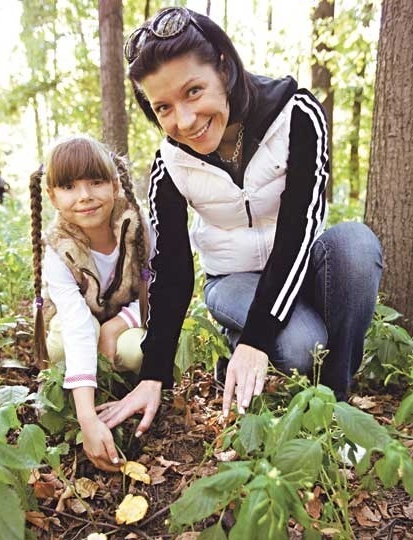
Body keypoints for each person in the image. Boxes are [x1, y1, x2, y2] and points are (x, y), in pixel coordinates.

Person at [98, 7, 382, 436]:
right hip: (233, 279)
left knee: (357, 245)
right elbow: (172, 273)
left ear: (224, 69)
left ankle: (335, 400)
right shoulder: (169, 165)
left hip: (299, 262)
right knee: (302, 346)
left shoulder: (298, 114)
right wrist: (152, 375)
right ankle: (244, 348)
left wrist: (256, 338)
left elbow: (299, 229)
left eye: (194, 91)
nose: (185, 121)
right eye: (163, 107)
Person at [29, 135, 152, 471]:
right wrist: (87, 420)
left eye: (96, 182)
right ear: (52, 196)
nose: (84, 197)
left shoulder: (139, 227)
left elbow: (154, 291)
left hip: (128, 316)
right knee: (62, 348)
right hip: (75, 322)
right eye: (69, 186)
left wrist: (117, 325)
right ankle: (77, 388)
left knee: (136, 350)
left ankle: (126, 382)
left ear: (114, 186)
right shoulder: (56, 248)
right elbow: (77, 323)